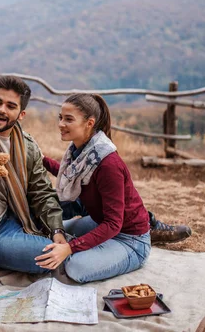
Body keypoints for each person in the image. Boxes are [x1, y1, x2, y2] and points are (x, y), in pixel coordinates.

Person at [0, 59, 190, 276]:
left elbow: (42, 193)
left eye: (10, 106)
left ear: (21, 115)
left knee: (66, 228)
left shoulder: (28, 146)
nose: (1, 110)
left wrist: (57, 231)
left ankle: (137, 231)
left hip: (19, 218)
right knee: (47, 258)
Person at [36, 93, 152, 282]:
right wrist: (42, 161)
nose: (61, 124)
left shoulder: (107, 164)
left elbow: (114, 224)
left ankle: (118, 255)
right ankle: (96, 249)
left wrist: (70, 248)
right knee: (54, 230)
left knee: (75, 266)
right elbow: (71, 176)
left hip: (130, 239)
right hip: (101, 223)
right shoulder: (80, 152)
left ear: (89, 123)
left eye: (68, 119)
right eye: (60, 118)